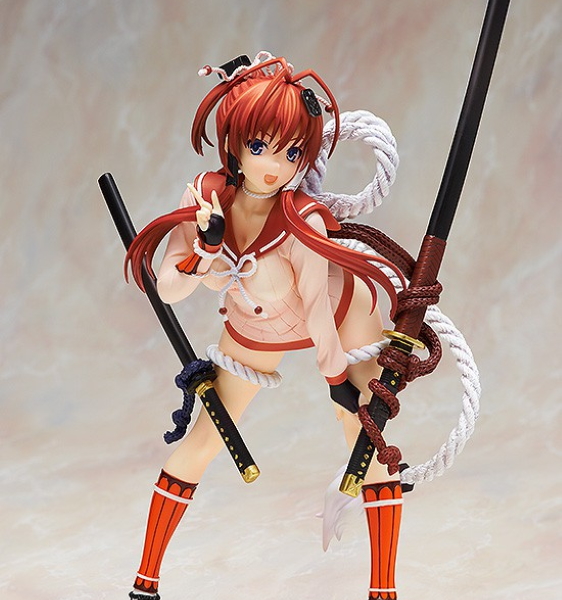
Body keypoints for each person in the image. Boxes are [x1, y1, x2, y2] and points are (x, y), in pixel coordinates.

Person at [125, 52, 404, 600]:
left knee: (364, 437)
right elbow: (170, 289)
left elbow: (319, 311)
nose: (275, 166)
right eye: (260, 147)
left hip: (340, 314)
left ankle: (383, 591)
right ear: (235, 142)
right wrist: (205, 247)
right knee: (204, 438)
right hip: (256, 325)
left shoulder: (302, 219)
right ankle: (145, 583)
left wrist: (338, 384)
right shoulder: (206, 198)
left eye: (292, 151)